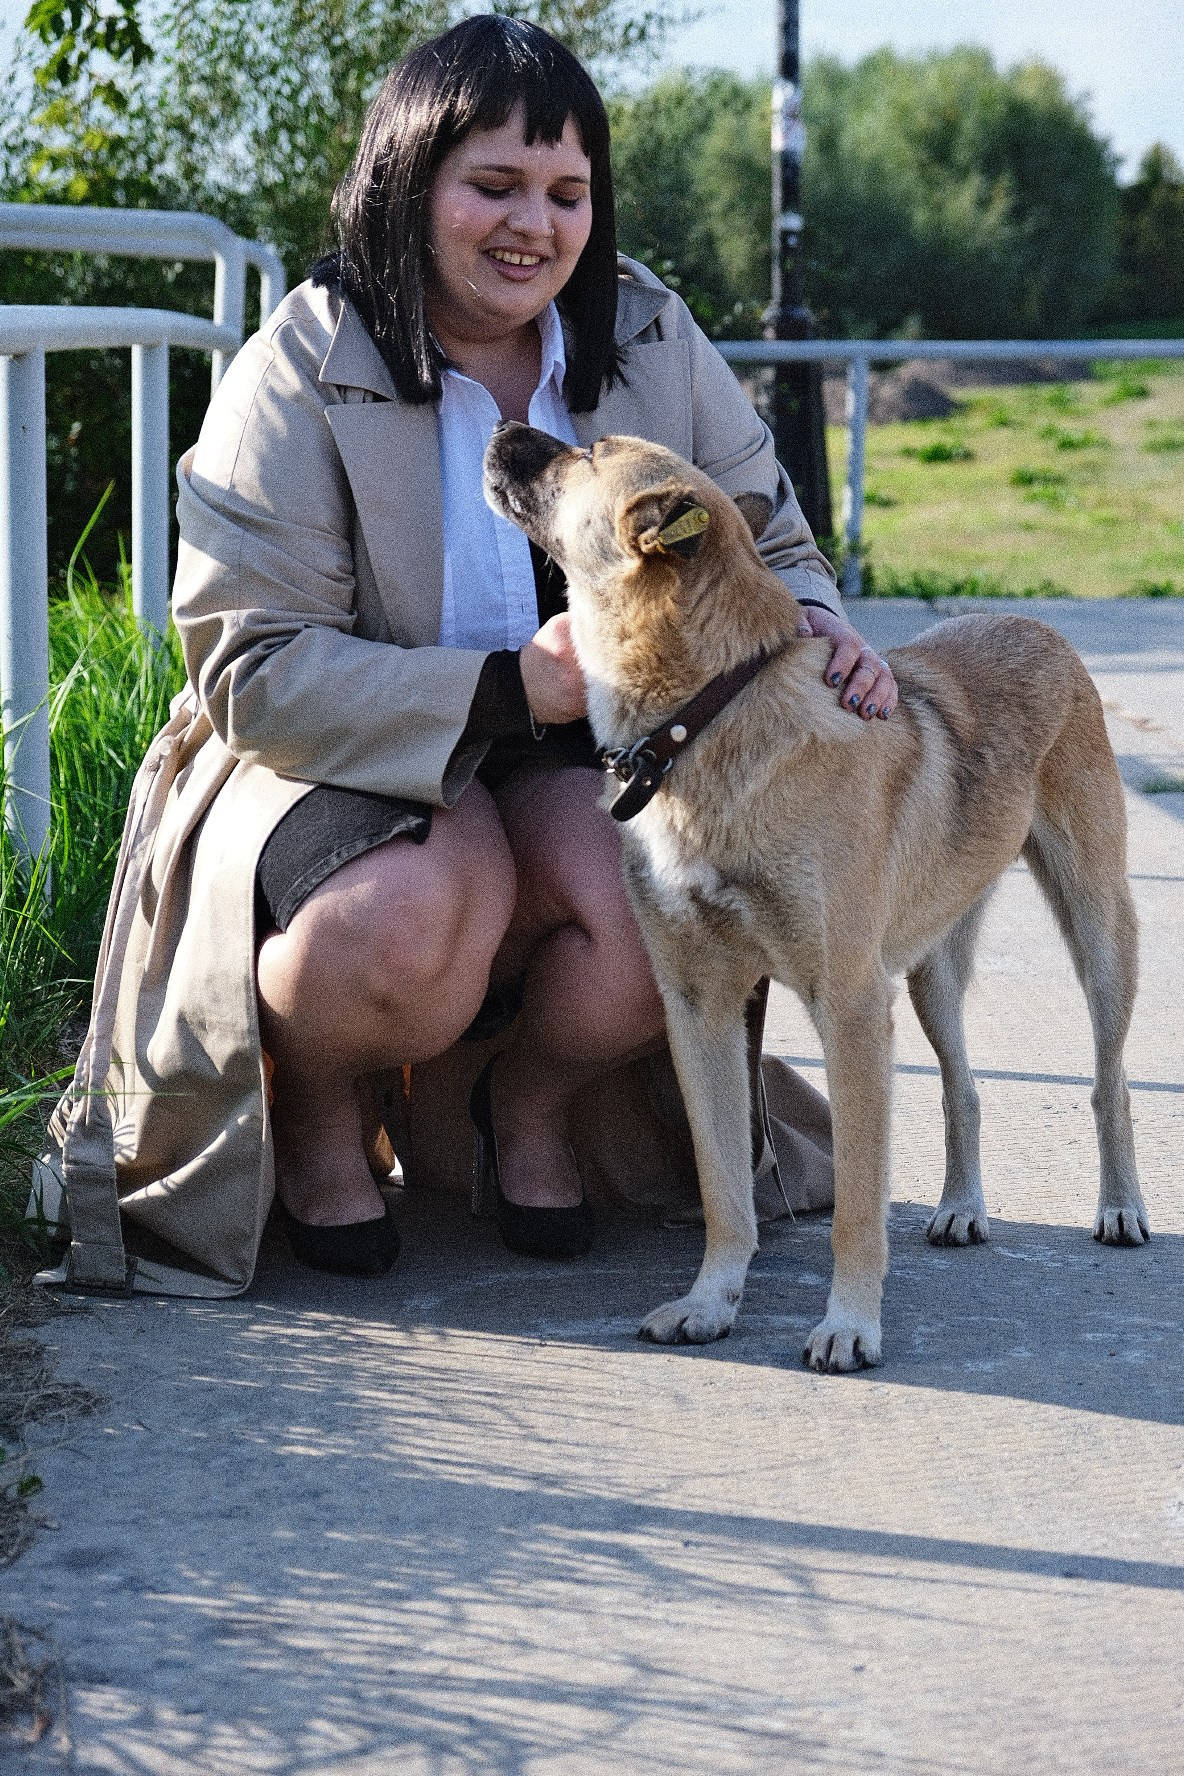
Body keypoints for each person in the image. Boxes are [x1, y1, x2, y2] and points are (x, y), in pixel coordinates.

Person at [49, 15, 897, 1295]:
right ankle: (322, 1103)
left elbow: (764, 533)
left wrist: (824, 629)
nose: (533, 226)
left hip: (594, 748)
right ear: (409, 183)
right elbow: (249, 663)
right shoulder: (300, 357)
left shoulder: (648, 328)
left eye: (566, 193)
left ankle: (520, 1102)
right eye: (492, 185)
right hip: (330, 753)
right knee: (403, 931)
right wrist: (507, 687)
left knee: (666, 918)